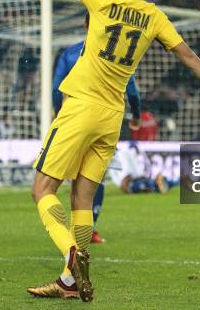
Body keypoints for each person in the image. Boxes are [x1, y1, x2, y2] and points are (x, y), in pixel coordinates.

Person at [27, 0, 200, 302]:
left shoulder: (101, 1)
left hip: (81, 107)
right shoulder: (152, 14)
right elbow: (187, 55)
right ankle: (70, 282)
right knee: (82, 199)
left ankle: (71, 254)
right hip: (112, 116)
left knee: (42, 190)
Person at [53, 36, 142, 244]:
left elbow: (57, 86)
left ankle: (64, 234)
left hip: (73, 118)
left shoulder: (70, 53)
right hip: (106, 119)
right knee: (93, 177)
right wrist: (136, 114)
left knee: (48, 184)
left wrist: (59, 114)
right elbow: (132, 91)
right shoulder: (119, 53)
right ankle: (88, 229)